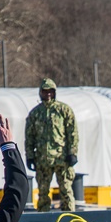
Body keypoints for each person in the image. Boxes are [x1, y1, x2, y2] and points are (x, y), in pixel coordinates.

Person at [25, 78, 78, 212]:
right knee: (43, 193)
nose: (48, 94)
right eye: (45, 91)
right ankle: (43, 220)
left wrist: (72, 153)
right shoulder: (35, 113)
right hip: (43, 160)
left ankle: (70, 219)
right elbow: (29, 137)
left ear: (54, 92)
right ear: (41, 93)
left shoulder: (63, 110)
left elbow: (73, 133)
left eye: (50, 91)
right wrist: (30, 156)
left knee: (66, 191)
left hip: (62, 158)